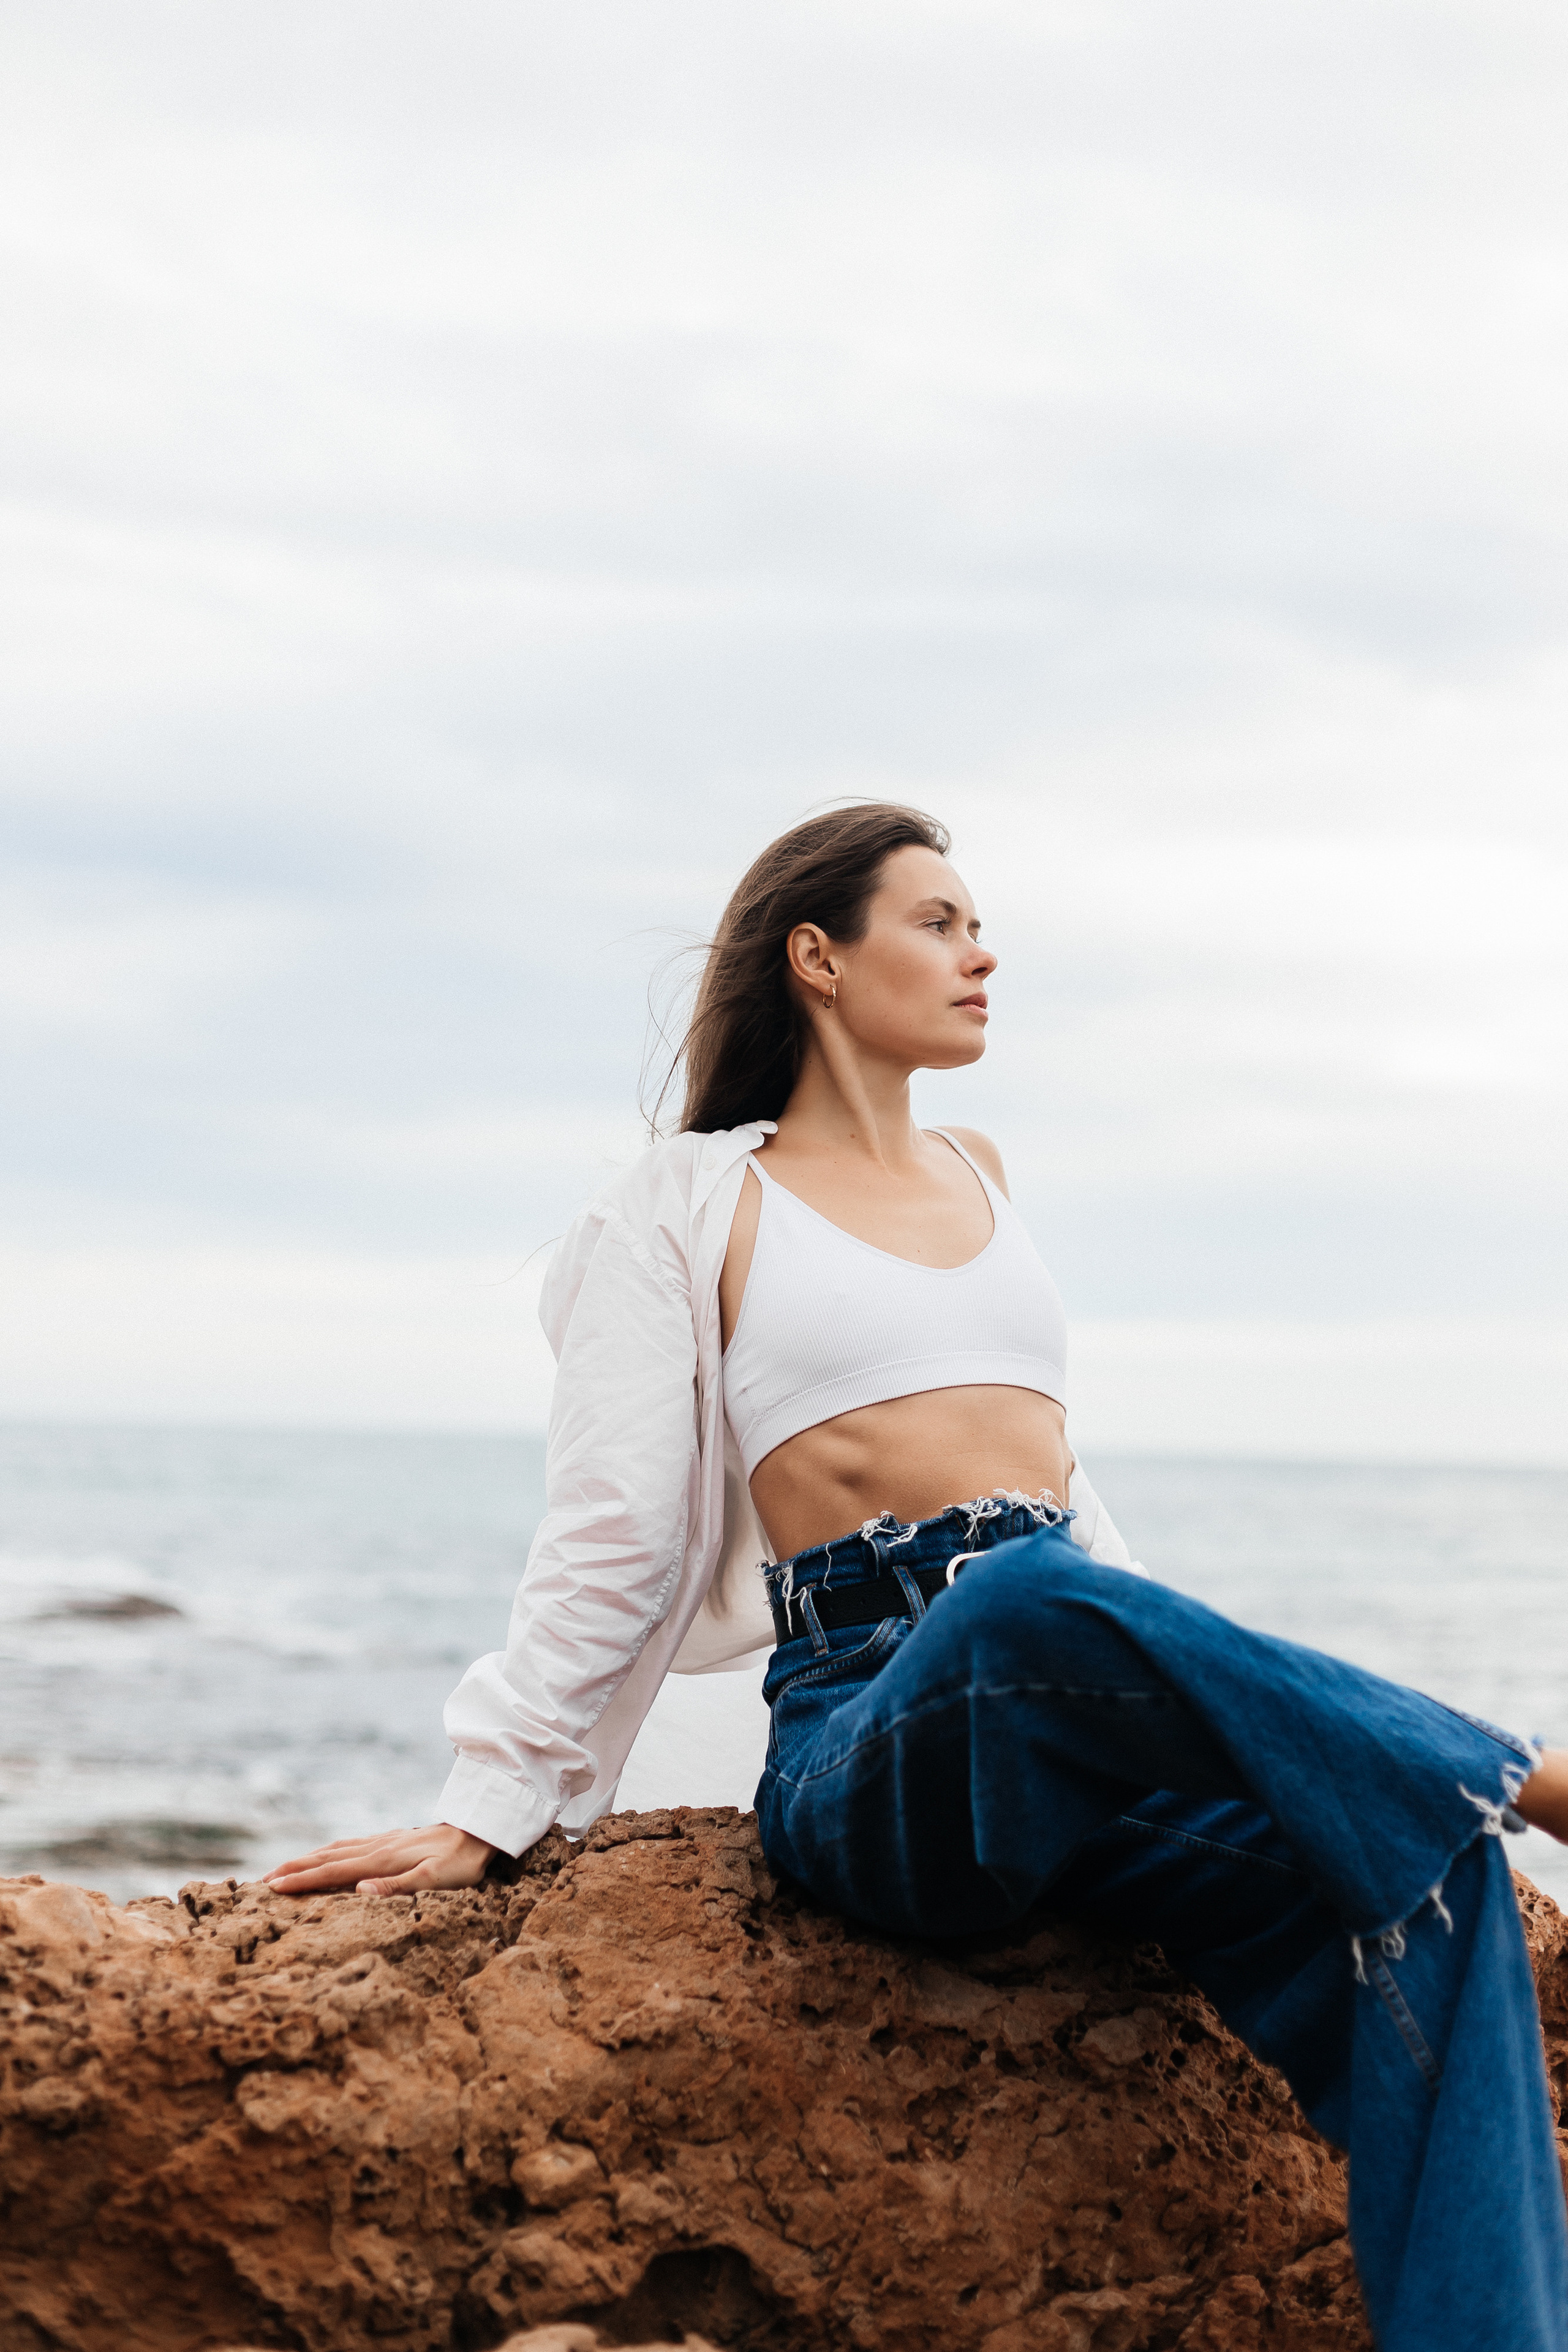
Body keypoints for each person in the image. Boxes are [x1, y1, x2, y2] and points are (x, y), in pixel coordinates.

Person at [268, 804, 1568, 2351]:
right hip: (868, 1736)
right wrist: (486, 1807)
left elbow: (1078, 1522)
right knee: (1012, 1602)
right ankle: (1530, 1773)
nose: (982, 952)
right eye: (939, 921)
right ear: (818, 958)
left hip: (1064, 1703)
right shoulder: (690, 1204)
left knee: (1431, 1878)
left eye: (976, 923)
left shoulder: (983, 1174)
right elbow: (609, 1533)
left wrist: (1207, 1712)